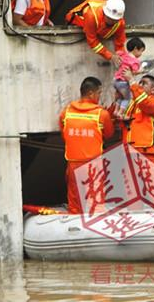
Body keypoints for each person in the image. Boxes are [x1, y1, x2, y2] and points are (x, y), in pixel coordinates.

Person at [59, 77, 114, 214]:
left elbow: (64, 135)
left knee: (75, 203)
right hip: (93, 165)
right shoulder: (101, 114)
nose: (99, 96)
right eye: (99, 93)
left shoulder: (66, 112)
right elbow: (108, 134)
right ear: (91, 93)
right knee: (95, 203)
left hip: (73, 163)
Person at [120, 69, 154, 189]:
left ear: (153, 90)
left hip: (148, 153)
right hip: (130, 154)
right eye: (139, 83)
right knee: (132, 194)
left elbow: (145, 103)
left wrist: (131, 81)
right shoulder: (131, 105)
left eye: (143, 83)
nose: (139, 85)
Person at [65, 0, 126, 67]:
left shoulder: (120, 22)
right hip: (75, 22)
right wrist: (111, 56)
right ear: (104, 13)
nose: (112, 21)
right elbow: (92, 41)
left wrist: (123, 59)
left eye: (115, 20)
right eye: (110, 18)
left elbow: (120, 44)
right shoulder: (92, 15)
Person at [113, 37, 146, 119]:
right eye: (141, 51)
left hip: (116, 80)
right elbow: (133, 72)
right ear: (135, 49)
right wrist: (141, 70)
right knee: (127, 98)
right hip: (124, 83)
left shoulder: (123, 55)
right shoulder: (135, 61)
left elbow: (117, 53)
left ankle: (116, 110)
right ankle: (120, 113)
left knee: (120, 97)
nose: (141, 53)